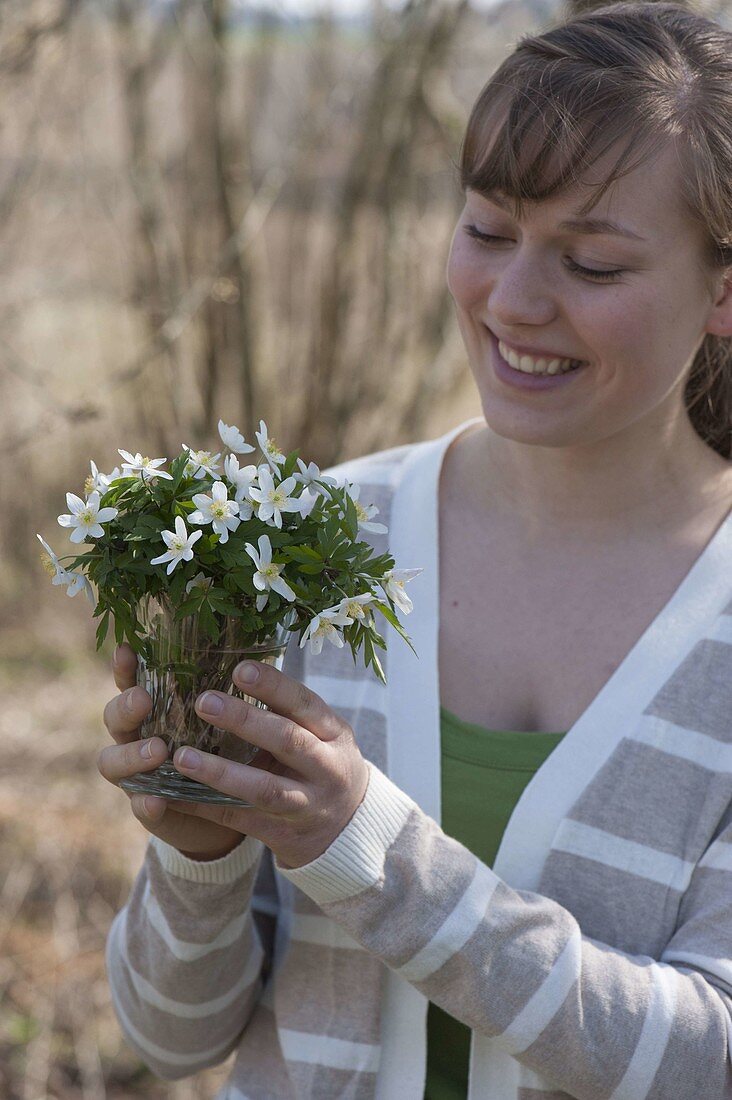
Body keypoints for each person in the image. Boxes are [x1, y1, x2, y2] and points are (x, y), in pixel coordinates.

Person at [99, 2, 732, 1097]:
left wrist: (365, 846)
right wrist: (197, 854)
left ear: (724, 288)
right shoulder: (308, 546)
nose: (516, 301)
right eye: (487, 230)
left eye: (591, 263)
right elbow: (171, 1035)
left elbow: (705, 1056)